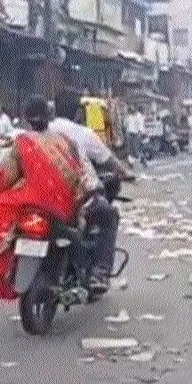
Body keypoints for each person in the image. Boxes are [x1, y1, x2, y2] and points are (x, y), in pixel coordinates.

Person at [0, 96, 90, 300]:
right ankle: (78, 275)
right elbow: (79, 175)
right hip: (63, 206)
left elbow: (5, 176)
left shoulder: (23, 142)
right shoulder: (66, 142)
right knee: (78, 228)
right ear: (49, 116)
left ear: (26, 119)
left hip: (32, 202)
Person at [50, 93, 134, 293]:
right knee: (108, 216)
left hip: (41, 197)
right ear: (79, 112)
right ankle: (100, 272)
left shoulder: (37, 133)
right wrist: (126, 173)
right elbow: (109, 160)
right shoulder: (82, 134)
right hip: (73, 198)